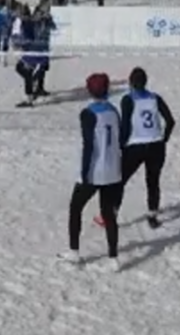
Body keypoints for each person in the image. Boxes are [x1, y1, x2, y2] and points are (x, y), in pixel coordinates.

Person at [94, 67, 176, 230]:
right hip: (156, 146)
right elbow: (171, 121)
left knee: (119, 180)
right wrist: (164, 139)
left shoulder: (128, 100)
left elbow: (125, 127)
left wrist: (120, 146)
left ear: (131, 83)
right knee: (153, 181)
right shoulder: (155, 98)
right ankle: (152, 216)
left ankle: (111, 215)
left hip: (136, 146)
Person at [59, 73, 123, 271]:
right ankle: (113, 258)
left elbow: (89, 145)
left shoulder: (88, 113)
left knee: (75, 207)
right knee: (109, 214)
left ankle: (74, 252)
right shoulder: (114, 111)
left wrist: (84, 173)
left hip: (96, 169)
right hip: (113, 168)